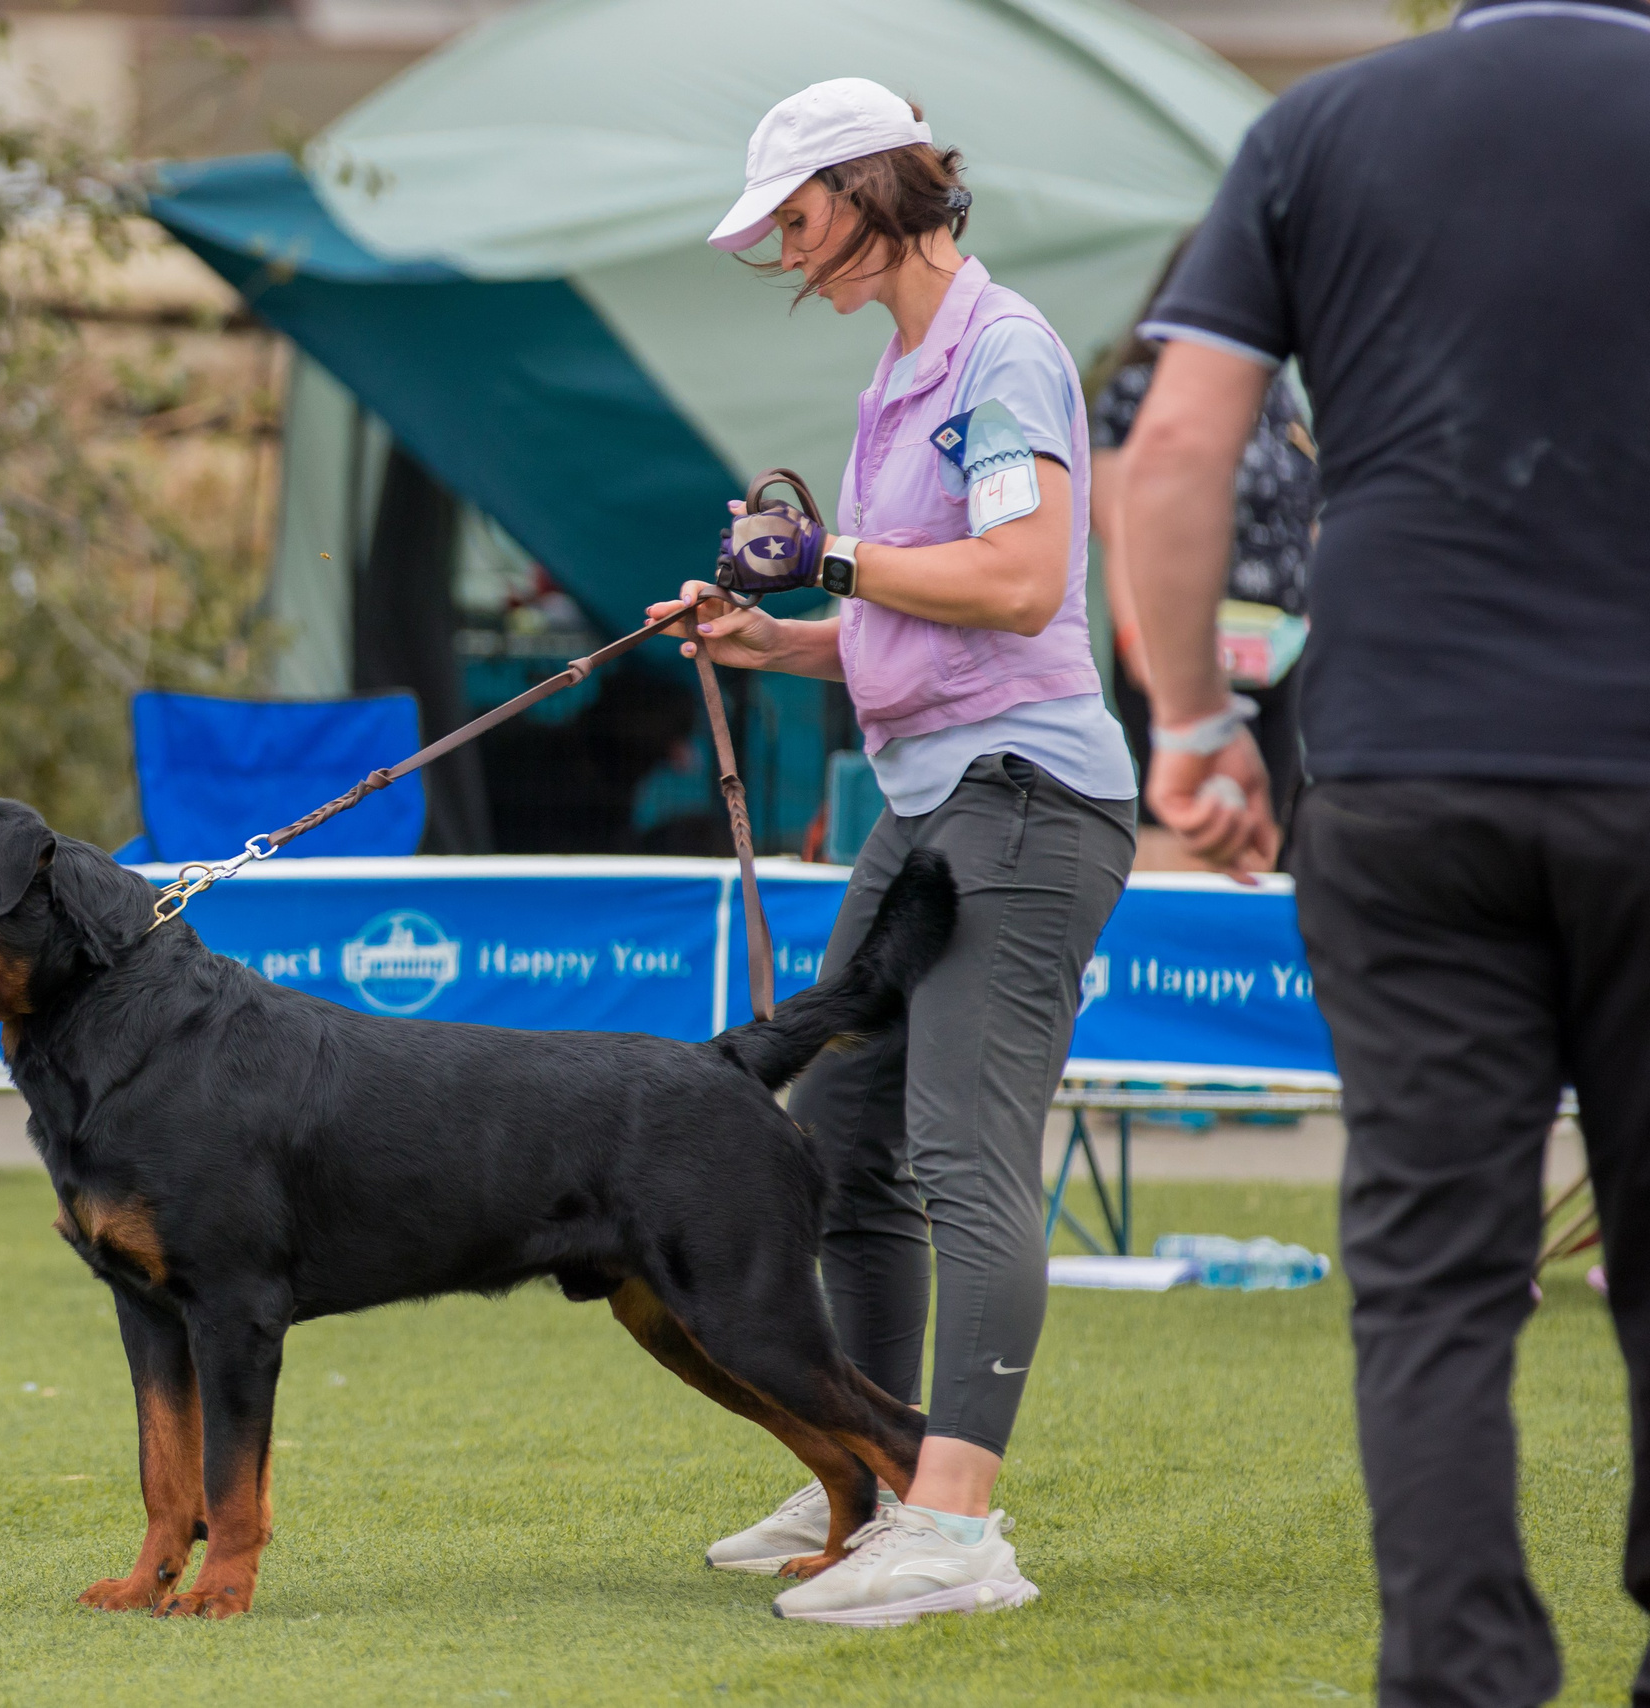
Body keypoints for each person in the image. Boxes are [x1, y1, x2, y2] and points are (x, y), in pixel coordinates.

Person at [1114, 3, 1650, 1702]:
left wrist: (1194, 733)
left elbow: (1178, 448)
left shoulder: (1322, 130)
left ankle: (1461, 1677)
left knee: (1433, 1277)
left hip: (1405, 764)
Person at [662, 77, 1136, 1624]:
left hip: (1025, 800)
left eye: (798, 221)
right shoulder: (906, 366)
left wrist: (838, 556)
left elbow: (1016, 581)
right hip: (934, 798)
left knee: (958, 1152)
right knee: (846, 1147)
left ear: (875, 189)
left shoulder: (1002, 350)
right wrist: (770, 638)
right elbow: (902, 623)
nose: (792, 257)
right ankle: (873, 1473)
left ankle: (962, 1529)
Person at [1086, 228, 1319, 841]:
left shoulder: (1277, 394)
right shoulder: (1137, 390)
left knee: (1272, 824)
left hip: (1282, 650)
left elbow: (1308, 509)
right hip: (1184, 649)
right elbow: (1122, 530)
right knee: (1188, 828)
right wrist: (1146, 648)